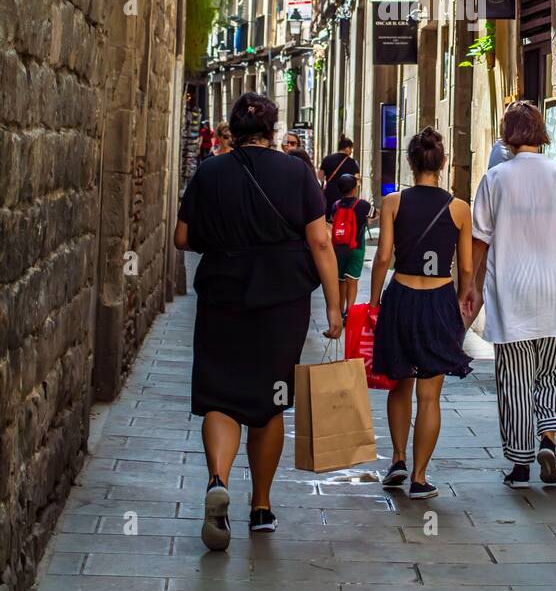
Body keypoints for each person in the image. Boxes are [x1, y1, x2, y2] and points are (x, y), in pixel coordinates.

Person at [174, 92, 342, 551]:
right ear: (271, 130)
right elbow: (321, 243)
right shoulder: (297, 172)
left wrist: (226, 237)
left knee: (220, 394)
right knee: (270, 402)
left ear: (232, 128)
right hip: (282, 302)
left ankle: (216, 481)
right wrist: (333, 305)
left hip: (223, 295)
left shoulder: (209, 172)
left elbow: (182, 237)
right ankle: (262, 506)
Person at [465, 100, 556, 488]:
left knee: (515, 381)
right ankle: (548, 441)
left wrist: (470, 285)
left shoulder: (496, 179)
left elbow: (480, 240)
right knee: (553, 373)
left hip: (511, 294)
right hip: (554, 294)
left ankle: (520, 467)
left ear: (507, 135)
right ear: (540, 133)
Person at [369, 127, 473, 499]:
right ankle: (419, 476)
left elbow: (383, 258)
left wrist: (375, 300)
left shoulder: (393, 203)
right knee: (429, 396)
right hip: (438, 300)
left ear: (410, 163)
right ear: (442, 164)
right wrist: (461, 298)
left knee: (399, 384)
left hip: (401, 297)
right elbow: (464, 267)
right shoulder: (459, 208)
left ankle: (396, 459)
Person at [330, 173, 376, 317]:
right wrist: (367, 220)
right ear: (355, 188)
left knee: (341, 280)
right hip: (356, 247)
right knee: (352, 280)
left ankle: (339, 310)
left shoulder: (335, 205)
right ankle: (349, 313)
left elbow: (333, 221)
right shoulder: (363, 205)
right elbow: (374, 214)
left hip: (338, 248)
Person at [319, 135, 360, 220]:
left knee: (328, 217)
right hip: (345, 194)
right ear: (347, 148)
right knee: (343, 218)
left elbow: (320, 176)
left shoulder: (327, 159)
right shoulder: (352, 163)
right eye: (351, 149)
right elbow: (357, 180)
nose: (351, 151)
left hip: (330, 192)